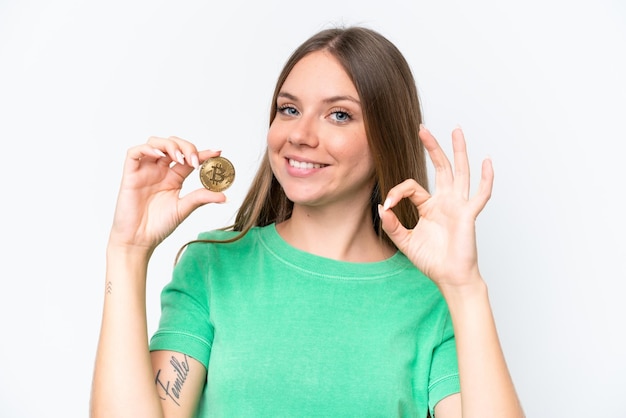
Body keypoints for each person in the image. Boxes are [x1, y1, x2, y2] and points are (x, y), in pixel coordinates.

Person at [90, 26, 525, 418]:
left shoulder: (432, 301)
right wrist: (127, 251)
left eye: (339, 114)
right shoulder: (213, 267)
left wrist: (465, 290)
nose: (300, 135)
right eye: (289, 109)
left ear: (386, 134)